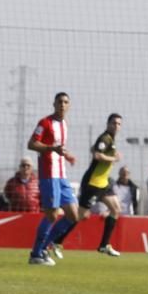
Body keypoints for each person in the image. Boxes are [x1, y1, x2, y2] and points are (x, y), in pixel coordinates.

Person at [58, 112, 124, 257]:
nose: (116, 126)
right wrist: (113, 158)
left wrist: (107, 155)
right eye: (114, 123)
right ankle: (57, 241)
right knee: (79, 215)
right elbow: (97, 155)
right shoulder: (105, 138)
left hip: (103, 183)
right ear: (108, 124)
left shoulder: (110, 140)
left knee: (115, 209)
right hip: (93, 183)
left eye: (119, 124)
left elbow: (94, 150)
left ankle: (104, 245)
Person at [26, 92, 78, 266]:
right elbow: (32, 144)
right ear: (54, 104)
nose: (62, 105)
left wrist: (67, 156)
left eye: (65, 102)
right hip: (49, 175)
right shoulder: (45, 123)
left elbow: (59, 149)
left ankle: (45, 246)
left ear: (69, 106)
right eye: (59, 102)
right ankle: (36, 254)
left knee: (73, 214)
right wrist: (51, 149)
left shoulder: (64, 124)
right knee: (52, 215)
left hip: (61, 175)